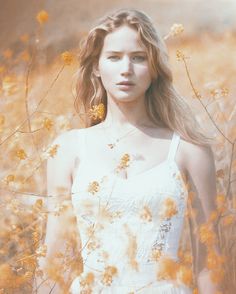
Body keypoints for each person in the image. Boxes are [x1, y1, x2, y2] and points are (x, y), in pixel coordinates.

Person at [36, 8, 224, 294]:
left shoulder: (189, 150)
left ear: (155, 68)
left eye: (138, 58)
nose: (126, 69)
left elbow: (209, 263)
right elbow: (52, 259)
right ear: (97, 67)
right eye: (114, 57)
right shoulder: (67, 149)